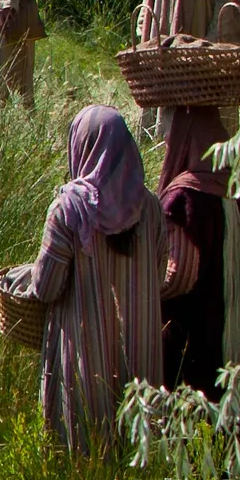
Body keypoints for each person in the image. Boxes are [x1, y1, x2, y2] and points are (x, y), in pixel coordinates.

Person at [14, 107, 167, 456]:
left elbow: (46, 287)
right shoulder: (151, 209)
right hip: (141, 362)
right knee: (136, 462)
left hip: (86, 364)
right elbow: (158, 277)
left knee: (85, 463)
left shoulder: (66, 211)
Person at [152, 105, 240, 398]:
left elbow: (178, 278)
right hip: (229, 317)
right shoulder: (234, 187)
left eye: (171, 133)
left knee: (193, 417)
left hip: (190, 335)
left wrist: (139, 283)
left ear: (187, 136)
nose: (168, 141)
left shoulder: (184, 198)